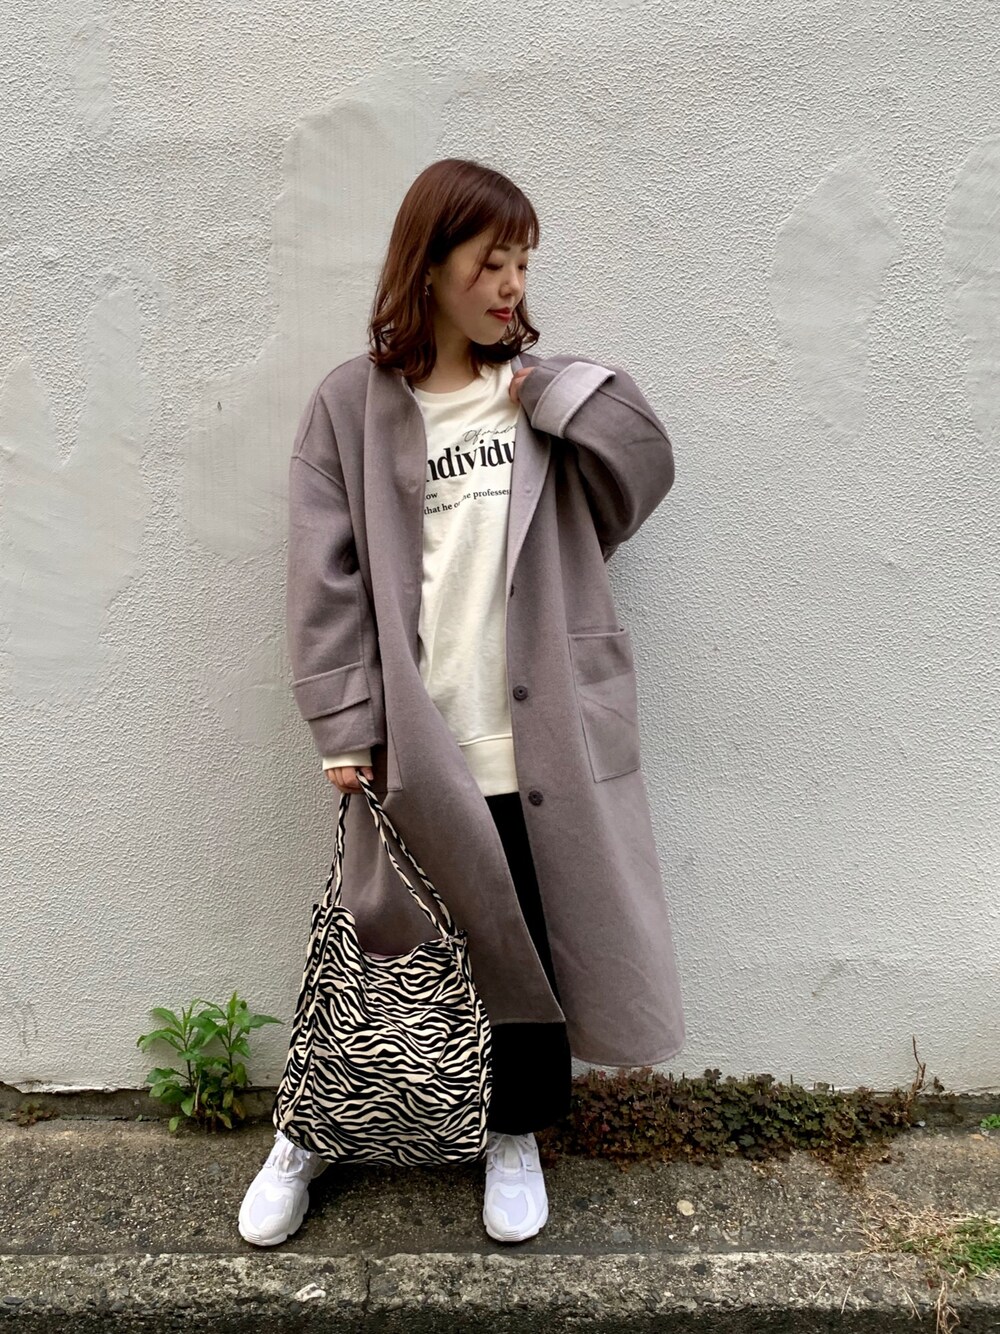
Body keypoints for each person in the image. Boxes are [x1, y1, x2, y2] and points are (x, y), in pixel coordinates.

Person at [238, 157, 682, 1249]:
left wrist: (557, 394)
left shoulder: (538, 395)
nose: (511, 284)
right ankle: (310, 1130)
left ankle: (512, 1132)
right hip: (414, 739)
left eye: (523, 263)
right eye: (491, 261)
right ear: (430, 266)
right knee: (375, 947)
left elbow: (643, 472)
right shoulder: (351, 404)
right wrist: (344, 722)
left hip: (538, 737)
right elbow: (323, 576)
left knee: (525, 949)